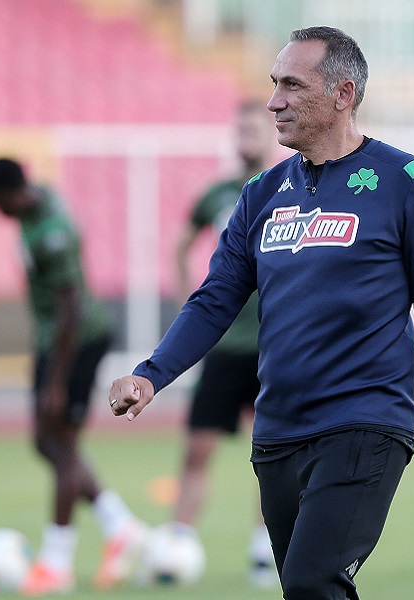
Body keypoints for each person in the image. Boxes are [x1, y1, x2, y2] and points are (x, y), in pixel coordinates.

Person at [109, 26, 414, 600]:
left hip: (364, 422)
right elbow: (215, 298)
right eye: (273, 83)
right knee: (305, 592)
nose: (273, 101)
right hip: (278, 432)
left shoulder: (405, 182)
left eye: (292, 85)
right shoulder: (261, 193)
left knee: (313, 584)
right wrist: (151, 374)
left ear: (342, 94)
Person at [0, 159, 144, 596]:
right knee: (44, 441)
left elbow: (71, 308)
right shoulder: (36, 205)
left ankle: (56, 564)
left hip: (77, 340)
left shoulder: (51, 232)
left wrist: (56, 381)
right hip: (54, 340)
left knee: (64, 445)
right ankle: (120, 526)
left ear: (7, 196)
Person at [171, 101, 276, 587]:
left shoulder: (289, 189)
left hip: (273, 346)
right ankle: (177, 546)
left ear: (271, 133)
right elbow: (180, 246)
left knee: (273, 452)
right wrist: (189, 309)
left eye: (254, 129)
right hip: (224, 346)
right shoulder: (217, 196)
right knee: (197, 448)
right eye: (241, 130)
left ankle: (263, 551)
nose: (246, 138)